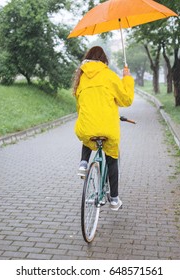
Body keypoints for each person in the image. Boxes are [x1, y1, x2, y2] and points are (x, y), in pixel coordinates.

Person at [72, 46, 134, 211]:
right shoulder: (109, 76)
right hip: (108, 128)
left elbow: (80, 106)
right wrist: (126, 78)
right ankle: (114, 199)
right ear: (103, 60)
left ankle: (84, 163)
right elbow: (126, 100)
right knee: (112, 159)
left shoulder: (82, 79)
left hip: (86, 126)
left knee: (88, 133)